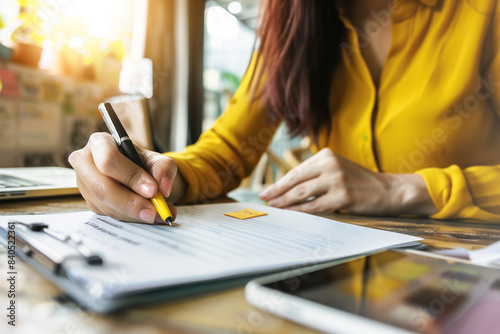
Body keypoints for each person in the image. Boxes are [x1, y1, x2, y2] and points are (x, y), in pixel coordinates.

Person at [69, 0, 500, 224]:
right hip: (338, 266)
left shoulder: (482, 14)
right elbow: (224, 154)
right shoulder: (294, 24)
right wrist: (159, 175)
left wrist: (406, 189)